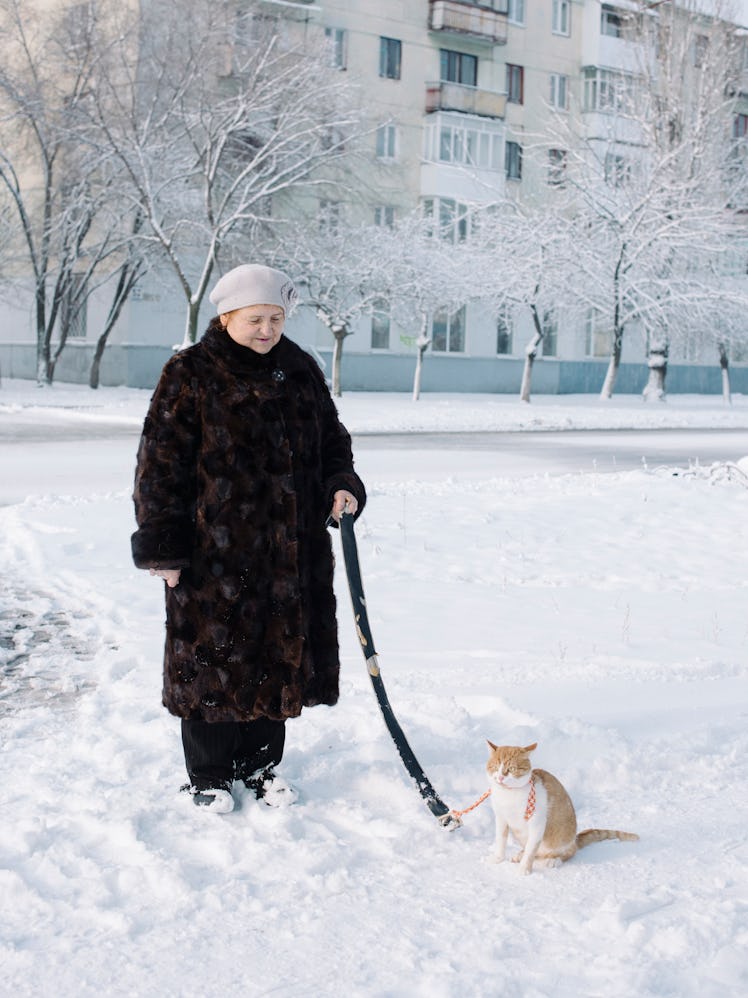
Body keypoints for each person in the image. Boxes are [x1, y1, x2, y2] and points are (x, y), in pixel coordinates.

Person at [131, 263, 366, 814]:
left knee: (276, 656)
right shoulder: (190, 372)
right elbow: (159, 463)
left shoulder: (299, 370)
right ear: (226, 316)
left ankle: (260, 766)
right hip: (213, 552)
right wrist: (163, 546)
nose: (267, 329)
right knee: (213, 661)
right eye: (255, 318)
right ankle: (209, 775)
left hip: (291, 549)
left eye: (276, 318)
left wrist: (341, 484)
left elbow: (333, 440)